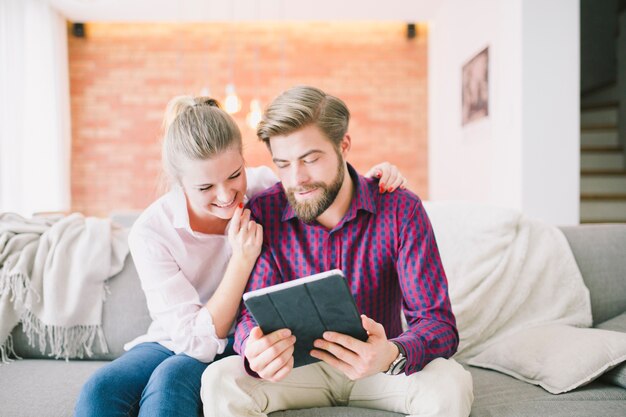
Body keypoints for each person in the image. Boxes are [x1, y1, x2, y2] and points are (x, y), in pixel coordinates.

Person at [74, 95, 407, 417]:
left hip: (249, 336)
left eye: (235, 175)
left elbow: (320, 188)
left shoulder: (262, 188)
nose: (226, 195)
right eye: (205, 188)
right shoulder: (151, 232)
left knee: (171, 381)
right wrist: (242, 259)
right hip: (183, 337)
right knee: (101, 389)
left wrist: (373, 179)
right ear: (179, 184)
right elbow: (197, 343)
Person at [201, 86, 474, 417]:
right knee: (219, 380)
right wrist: (252, 346)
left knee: (451, 382)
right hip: (299, 372)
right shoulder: (265, 212)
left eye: (311, 159)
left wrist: (392, 352)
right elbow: (250, 317)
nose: (297, 179)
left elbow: (437, 322)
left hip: (378, 367)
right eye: (283, 164)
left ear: (343, 145)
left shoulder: (401, 209)